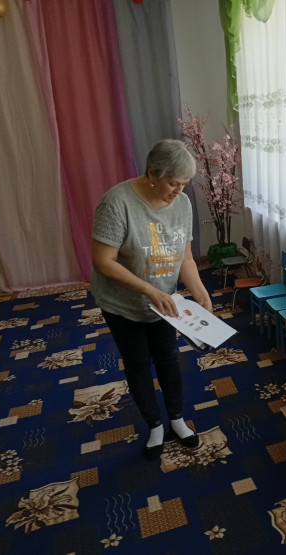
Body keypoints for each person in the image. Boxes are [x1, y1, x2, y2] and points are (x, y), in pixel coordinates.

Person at [90, 139, 212, 460]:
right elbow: (103, 262)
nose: (180, 191)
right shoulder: (116, 203)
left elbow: (185, 257)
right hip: (123, 304)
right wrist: (149, 290)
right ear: (153, 174)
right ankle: (155, 425)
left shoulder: (182, 203)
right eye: (174, 183)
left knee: (168, 358)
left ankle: (177, 418)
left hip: (164, 303)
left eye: (185, 184)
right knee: (138, 363)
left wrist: (199, 291)